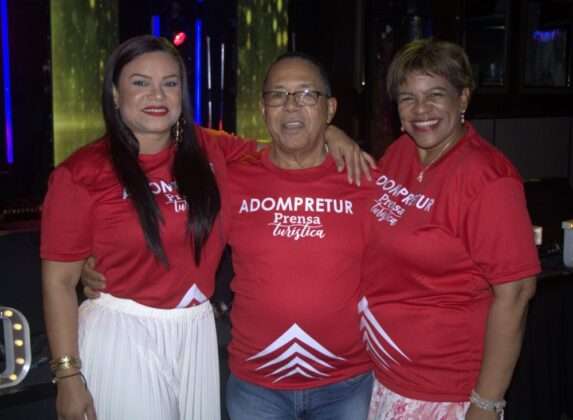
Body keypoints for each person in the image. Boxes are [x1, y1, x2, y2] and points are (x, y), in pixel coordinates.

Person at [41, 36, 368, 420]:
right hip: (125, 331)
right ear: (115, 93)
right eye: (140, 82)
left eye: (170, 82)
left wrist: (331, 132)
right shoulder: (81, 172)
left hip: (196, 331)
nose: (157, 94)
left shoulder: (208, 149)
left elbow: (286, 139)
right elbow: (57, 281)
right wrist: (67, 375)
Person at [361, 38, 540, 420]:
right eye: (408, 98)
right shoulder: (400, 152)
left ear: (463, 99)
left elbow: (516, 294)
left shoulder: (487, 179)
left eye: (435, 95)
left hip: (442, 393)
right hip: (386, 378)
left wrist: (486, 404)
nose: (420, 109)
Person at [223, 52, 376, 420]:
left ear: (330, 108)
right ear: (264, 109)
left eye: (307, 94)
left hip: (347, 385)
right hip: (257, 388)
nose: (291, 105)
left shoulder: (364, 180)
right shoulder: (233, 178)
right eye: (278, 95)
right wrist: (96, 258)